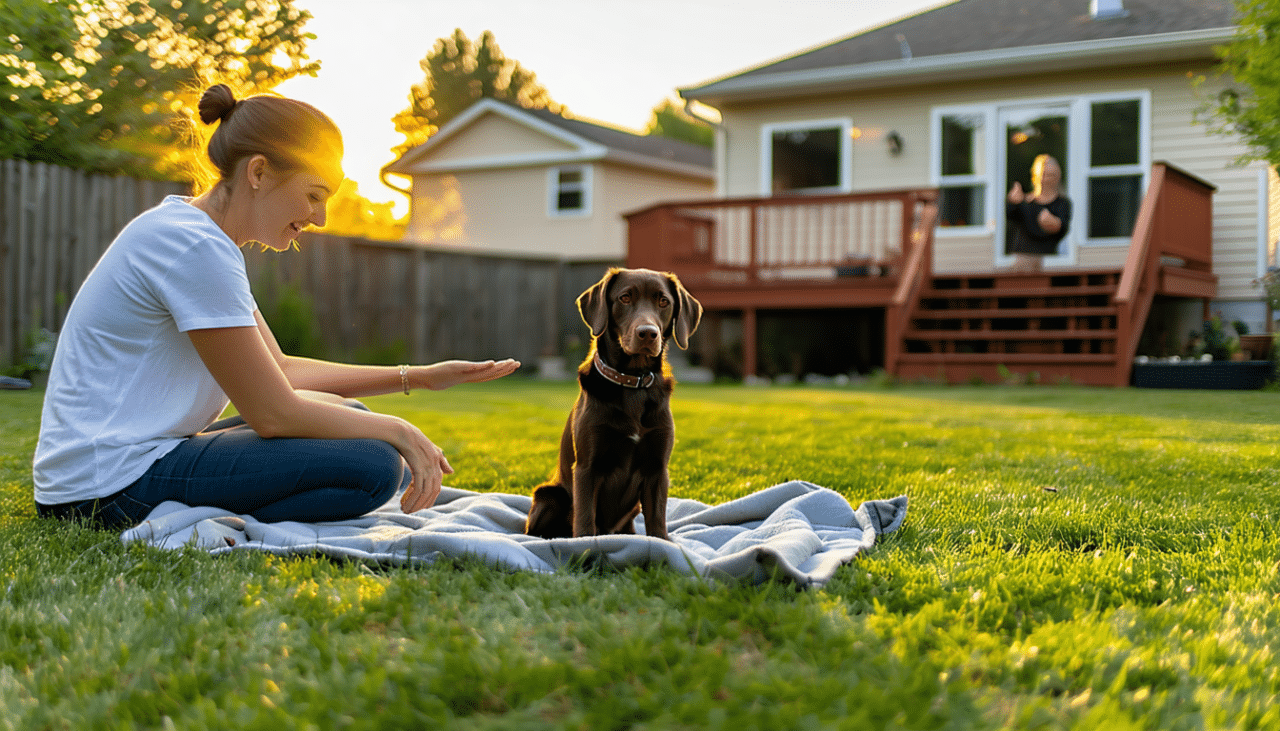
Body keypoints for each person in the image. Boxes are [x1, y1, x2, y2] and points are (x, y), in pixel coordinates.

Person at [32, 83, 520, 530]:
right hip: (104, 487)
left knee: (343, 414)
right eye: (313, 195)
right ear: (259, 172)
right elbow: (272, 413)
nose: (320, 218)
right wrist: (399, 430)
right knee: (371, 464)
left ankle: (218, 507)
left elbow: (281, 372)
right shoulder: (193, 248)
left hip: (129, 463)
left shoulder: (195, 237)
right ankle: (218, 522)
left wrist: (418, 376)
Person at [1006, 153, 1072, 272]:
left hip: (1052, 261)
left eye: (1049, 175)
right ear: (1034, 176)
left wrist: (1056, 225)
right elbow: (1010, 217)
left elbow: (1062, 230)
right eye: (1041, 175)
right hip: (1023, 260)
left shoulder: (1062, 204)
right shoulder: (1025, 202)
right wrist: (1013, 203)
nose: (1044, 179)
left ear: (1057, 177)